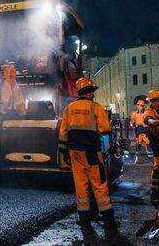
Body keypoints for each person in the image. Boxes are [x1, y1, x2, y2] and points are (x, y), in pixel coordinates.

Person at [59, 78, 121, 245]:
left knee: (81, 185)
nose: (93, 93)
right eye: (92, 90)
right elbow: (105, 129)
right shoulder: (96, 107)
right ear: (89, 92)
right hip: (92, 153)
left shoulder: (69, 109)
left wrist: (63, 152)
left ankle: (84, 220)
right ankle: (109, 223)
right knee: (99, 186)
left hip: (74, 153)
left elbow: (63, 133)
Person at [130, 99, 151, 163]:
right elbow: (131, 122)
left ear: (143, 106)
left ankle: (151, 158)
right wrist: (132, 124)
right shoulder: (134, 113)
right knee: (138, 144)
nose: (140, 107)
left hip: (145, 130)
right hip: (138, 130)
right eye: (139, 105)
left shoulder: (146, 112)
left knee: (148, 144)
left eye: (142, 106)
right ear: (137, 106)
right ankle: (137, 158)